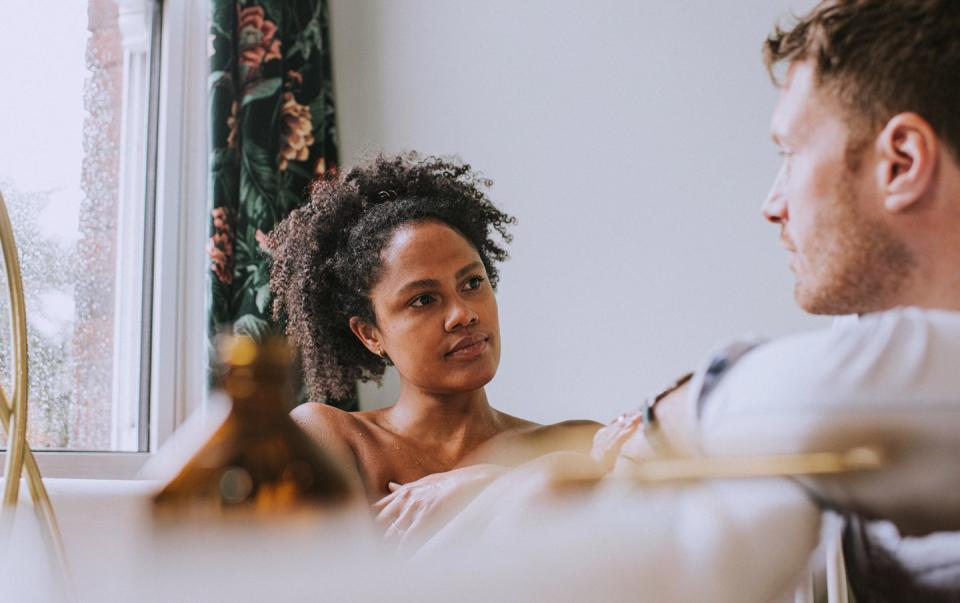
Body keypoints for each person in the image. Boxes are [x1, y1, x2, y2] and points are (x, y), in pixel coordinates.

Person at [419, 1, 960, 598]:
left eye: (790, 154)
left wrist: (673, 413)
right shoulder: (863, 389)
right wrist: (547, 481)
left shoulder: (861, 392)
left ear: (902, 161)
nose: (772, 203)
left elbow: (818, 404)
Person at [267, 153, 600, 542]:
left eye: (472, 283)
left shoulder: (574, 444)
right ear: (370, 333)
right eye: (423, 300)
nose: (462, 314)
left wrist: (482, 483)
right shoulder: (329, 437)